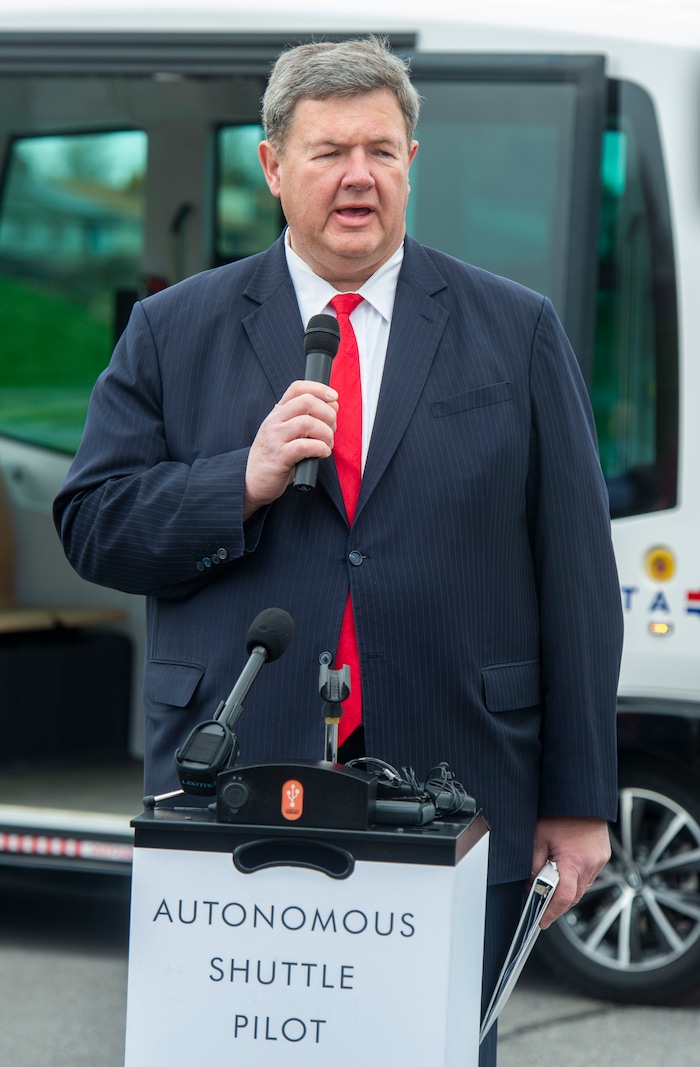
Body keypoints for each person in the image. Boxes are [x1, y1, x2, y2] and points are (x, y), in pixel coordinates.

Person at [53, 36, 623, 1065]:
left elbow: (578, 581)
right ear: (273, 166)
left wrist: (579, 801)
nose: (358, 176)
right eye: (328, 152)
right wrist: (239, 479)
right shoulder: (172, 330)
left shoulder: (517, 329)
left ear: (412, 161)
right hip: (235, 775)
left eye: (380, 150)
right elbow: (93, 522)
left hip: (459, 778)